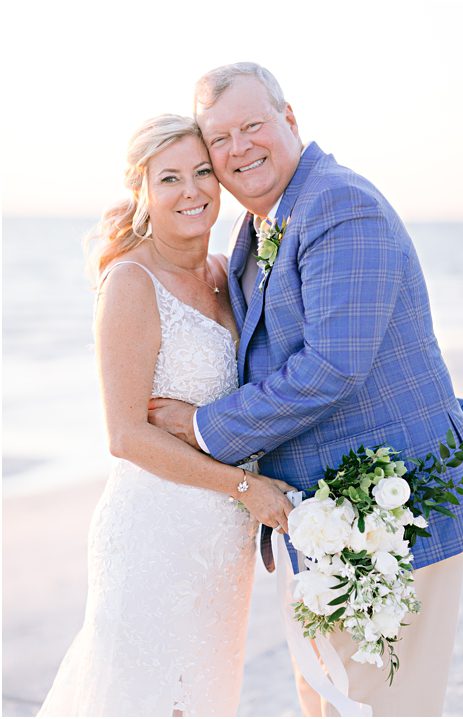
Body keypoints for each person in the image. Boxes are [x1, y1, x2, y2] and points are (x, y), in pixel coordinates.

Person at [146, 62, 463, 716]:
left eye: (252, 126)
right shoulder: (258, 227)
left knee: (385, 705)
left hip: (395, 512)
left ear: (289, 120)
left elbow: (333, 364)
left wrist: (205, 426)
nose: (239, 147)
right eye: (220, 139)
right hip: (320, 519)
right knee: (330, 701)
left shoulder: (337, 203)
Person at [38, 115, 296, 717]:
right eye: (171, 177)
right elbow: (126, 436)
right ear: (144, 194)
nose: (192, 190)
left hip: (220, 543)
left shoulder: (226, 273)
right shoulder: (131, 281)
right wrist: (246, 486)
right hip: (156, 530)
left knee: (200, 698)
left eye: (203, 171)